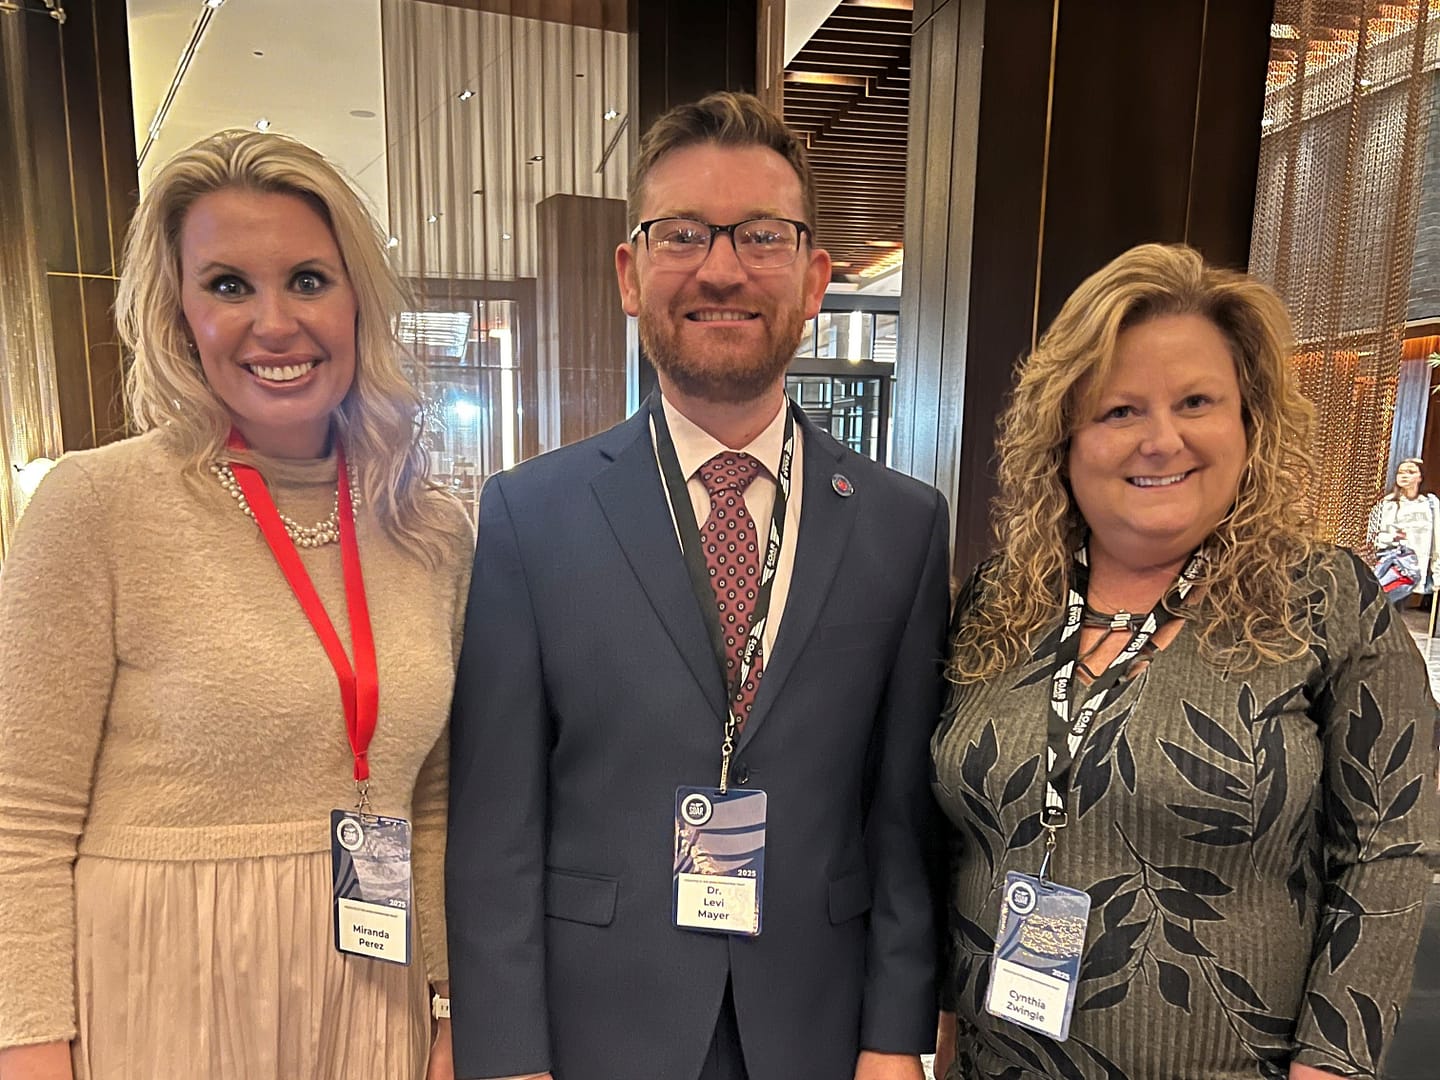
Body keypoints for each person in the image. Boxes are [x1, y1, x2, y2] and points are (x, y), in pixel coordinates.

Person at [445, 91, 950, 1080]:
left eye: (760, 236)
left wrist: (896, 1040)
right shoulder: (529, 516)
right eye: (684, 234)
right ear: (631, 274)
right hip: (596, 1029)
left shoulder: (903, 524)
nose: (722, 268)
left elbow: (902, 822)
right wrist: (506, 1056)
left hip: (818, 1023)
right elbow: (497, 825)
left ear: (815, 279)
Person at [0, 130, 473, 1080]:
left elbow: (431, 803)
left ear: (357, 303)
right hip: (159, 991)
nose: (274, 322)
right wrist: (29, 1049)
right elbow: (20, 819)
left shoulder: (430, 529)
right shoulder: (98, 504)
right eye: (227, 285)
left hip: (371, 1000)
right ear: (178, 313)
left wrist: (452, 1011)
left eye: (307, 279)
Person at [933, 243, 1437, 1080]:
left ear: (1251, 422)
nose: (1160, 440)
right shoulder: (999, 599)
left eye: (1196, 401)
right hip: (996, 1062)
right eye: (1119, 410)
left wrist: (1334, 1065)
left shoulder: (1324, 599)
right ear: (1064, 435)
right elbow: (953, 843)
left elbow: (1389, 847)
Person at [1366, 458, 1440, 604]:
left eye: (1411, 472)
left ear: (1420, 477)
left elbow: (1437, 540)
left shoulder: (1430, 504)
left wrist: (1438, 574)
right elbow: (1372, 536)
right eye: (1401, 472)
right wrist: (1392, 537)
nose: (1404, 475)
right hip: (1392, 569)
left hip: (1416, 571)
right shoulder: (1387, 504)